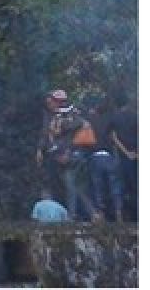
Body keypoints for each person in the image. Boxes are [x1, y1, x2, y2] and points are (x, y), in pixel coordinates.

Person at [35, 88, 88, 220]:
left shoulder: (72, 116)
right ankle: (58, 215)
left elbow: (77, 134)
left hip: (71, 155)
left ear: (58, 102)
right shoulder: (50, 116)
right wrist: (40, 149)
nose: (49, 104)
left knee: (70, 183)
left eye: (51, 102)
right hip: (55, 155)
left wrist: (68, 152)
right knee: (61, 183)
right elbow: (45, 133)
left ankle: (72, 215)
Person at [85, 97, 124, 222]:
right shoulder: (110, 120)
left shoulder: (89, 122)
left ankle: (100, 215)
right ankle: (119, 213)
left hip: (96, 157)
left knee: (97, 187)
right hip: (109, 157)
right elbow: (114, 138)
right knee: (115, 186)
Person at [107, 96, 138, 221]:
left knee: (122, 186)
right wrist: (136, 152)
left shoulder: (114, 117)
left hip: (122, 157)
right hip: (136, 156)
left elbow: (113, 137)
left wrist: (126, 152)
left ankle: (124, 216)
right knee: (136, 186)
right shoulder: (136, 116)